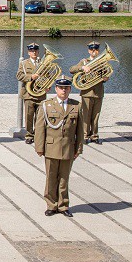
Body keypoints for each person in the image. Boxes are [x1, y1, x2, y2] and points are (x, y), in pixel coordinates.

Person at [34, 76, 84, 217]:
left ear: (70, 89)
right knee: (51, 177)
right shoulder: (46, 105)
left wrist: (78, 148)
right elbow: (40, 127)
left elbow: (80, 130)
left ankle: (63, 205)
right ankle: (51, 204)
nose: (64, 91)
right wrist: (39, 147)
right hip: (51, 147)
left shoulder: (76, 106)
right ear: (56, 89)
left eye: (66, 88)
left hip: (68, 147)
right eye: (61, 88)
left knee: (64, 178)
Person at [69, 41, 108, 144]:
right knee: (86, 115)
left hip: (98, 92)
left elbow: (106, 74)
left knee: (96, 115)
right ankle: (85, 135)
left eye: (95, 50)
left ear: (98, 51)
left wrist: (105, 78)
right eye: (91, 50)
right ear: (88, 50)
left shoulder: (102, 62)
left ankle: (94, 135)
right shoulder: (84, 61)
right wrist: (82, 68)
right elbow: (71, 69)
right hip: (87, 92)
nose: (94, 51)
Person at [16, 42, 46, 144]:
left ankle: (38, 135)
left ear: (38, 51)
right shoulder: (24, 63)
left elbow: (48, 76)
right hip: (28, 94)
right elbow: (19, 76)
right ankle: (29, 135)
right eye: (32, 51)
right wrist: (30, 77)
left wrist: (47, 85)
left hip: (40, 93)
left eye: (35, 51)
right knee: (29, 116)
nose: (34, 52)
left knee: (39, 116)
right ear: (28, 52)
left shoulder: (43, 62)